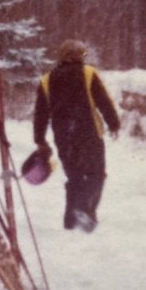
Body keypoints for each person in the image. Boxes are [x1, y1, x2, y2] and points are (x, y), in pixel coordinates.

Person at [32, 40, 120, 232]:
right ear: (81, 55)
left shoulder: (46, 80)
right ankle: (85, 210)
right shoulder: (88, 74)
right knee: (96, 174)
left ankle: (70, 220)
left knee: (75, 176)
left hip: (64, 136)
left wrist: (40, 139)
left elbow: (40, 114)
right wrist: (114, 123)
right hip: (88, 133)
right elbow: (103, 101)